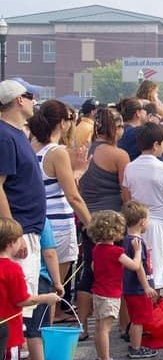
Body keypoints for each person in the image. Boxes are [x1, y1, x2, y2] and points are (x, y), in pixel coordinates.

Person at [27, 100, 91, 320]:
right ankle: (45, 334)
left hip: (36, 221)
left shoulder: (31, 146)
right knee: (55, 288)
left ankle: (35, 333)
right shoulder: (57, 152)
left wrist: (78, 173)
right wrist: (92, 226)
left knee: (36, 284)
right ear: (62, 123)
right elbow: (73, 196)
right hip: (59, 226)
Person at [75, 107, 130, 340]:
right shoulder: (119, 155)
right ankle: (123, 326)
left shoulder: (81, 151)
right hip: (113, 221)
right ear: (115, 128)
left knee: (89, 271)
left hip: (88, 218)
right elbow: (125, 192)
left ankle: (83, 327)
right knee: (119, 271)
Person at [0, 81, 48, 334]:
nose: (33, 101)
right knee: (20, 301)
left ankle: (17, 353)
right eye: (30, 96)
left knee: (24, 301)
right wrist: (14, 234)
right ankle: (13, 353)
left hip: (28, 227)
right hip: (20, 228)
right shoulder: (5, 136)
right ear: (19, 100)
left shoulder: (16, 133)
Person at [0, 217, 60, 360]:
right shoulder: (12, 268)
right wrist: (46, 298)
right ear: (11, 243)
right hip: (9, 329)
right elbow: (22, 299)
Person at [122, 122, 163, 291]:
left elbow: (127, 200)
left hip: (134, 225)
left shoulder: (129, 168)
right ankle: (154, 307)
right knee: (156, 273)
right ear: (156, 145)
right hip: (159, 223)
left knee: (138, 271)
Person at [86, 210, 142, 360]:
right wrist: (138, 252)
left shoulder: (97, 249)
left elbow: (93, 267)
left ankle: (101, 357)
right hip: (110, 294)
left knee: (99, 327)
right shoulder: (116, 252)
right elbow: (134, 266)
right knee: (105, 329)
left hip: (98, 292)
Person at [24, 218, 65, 360]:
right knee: (38, 328)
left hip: (13, 275)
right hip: (38, 277)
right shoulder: (40, 219)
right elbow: (49, 253)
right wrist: (57, 282)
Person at [120, 200, 159, 359]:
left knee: (135, 316)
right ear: (142, 222)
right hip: (138, 288)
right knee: (139, 319)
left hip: (130, 287)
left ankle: (134, 342)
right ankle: (136, 347)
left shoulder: (125, 240)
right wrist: (146, 286)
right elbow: (139, 267)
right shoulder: (137, 242)